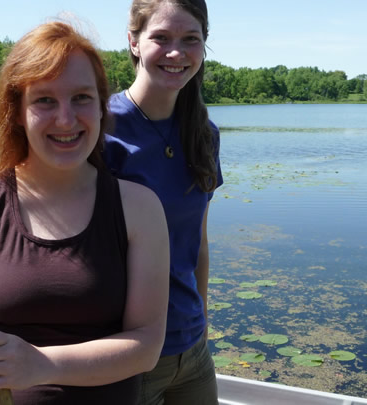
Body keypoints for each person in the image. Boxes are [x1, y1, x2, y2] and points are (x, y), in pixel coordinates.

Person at [0, 21, 170, 405]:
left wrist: (43, 364)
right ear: (16, 112)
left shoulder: (138, 208)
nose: (65, 119)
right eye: (44, 100)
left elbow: (146, 347)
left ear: (101, 106)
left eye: (81, 97)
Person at [102, 0, 222, 403]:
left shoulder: (203, 133)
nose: (177, 53)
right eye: (161, 38)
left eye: (191, 39)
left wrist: (200, 319)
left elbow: (197, 242)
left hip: (192, 352)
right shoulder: (100, 130)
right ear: (134, 42)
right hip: (130, 356)